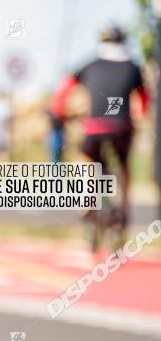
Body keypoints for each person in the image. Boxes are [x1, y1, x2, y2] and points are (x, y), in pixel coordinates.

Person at [52, 24, 150, 229]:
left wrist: (60, 112)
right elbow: (144, 97)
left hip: (95, 127)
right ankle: (124, 208)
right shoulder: (133, 67)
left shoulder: (89, 65)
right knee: (123, 166)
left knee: (86, 160)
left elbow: (64, 90)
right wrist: (141, 115)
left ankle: (87, 200)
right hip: (123, 127)